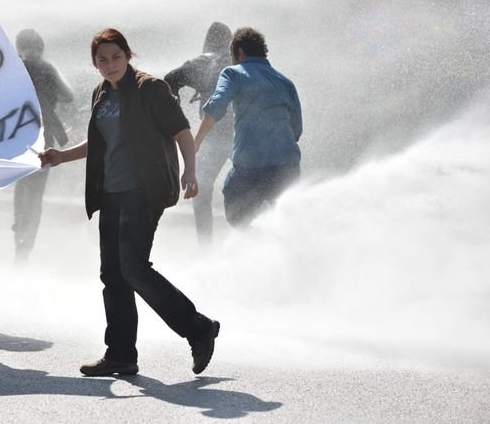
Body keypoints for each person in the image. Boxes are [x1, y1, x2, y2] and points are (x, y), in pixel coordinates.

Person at [40, 28, 220, 376]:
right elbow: (100, 142)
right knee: (113, 274)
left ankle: (198, 328)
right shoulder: (101, 93)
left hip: (144, 190)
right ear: (95, 64)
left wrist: (191, 171)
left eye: (116, 57)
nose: (110, 65)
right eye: (102, 60)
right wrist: (62, 156)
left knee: (133, 267)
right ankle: (121, 354)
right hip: (111, 192)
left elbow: (181, 131)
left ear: (128, 55)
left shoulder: (150, 88)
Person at [194, 27, 302, 227]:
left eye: (231, 54)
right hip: (288, 166)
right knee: (287, 222)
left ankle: (253, 248)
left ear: (240, 52)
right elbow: (296, 130)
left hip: (251, 168)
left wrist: (196, 142)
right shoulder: (285, 82)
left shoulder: (233, 73)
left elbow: (216, 107)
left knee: (237, 215)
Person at [164, 22, 234, 247]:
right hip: (242, 136)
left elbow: (170, 78)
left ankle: (205, 246)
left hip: (212, 135)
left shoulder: (202, 61)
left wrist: (176, 106)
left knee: (200, 190)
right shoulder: (240, 61)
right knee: (258, 184)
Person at [12, 29, 74, 263]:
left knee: (21, 191)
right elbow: (68, 96)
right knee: (35, 196)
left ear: (19, 47)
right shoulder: (47, 68)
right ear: (41, 47)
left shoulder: (14, 67)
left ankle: (19, 235)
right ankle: (25, 247)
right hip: (44, 138)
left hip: (17, 138)